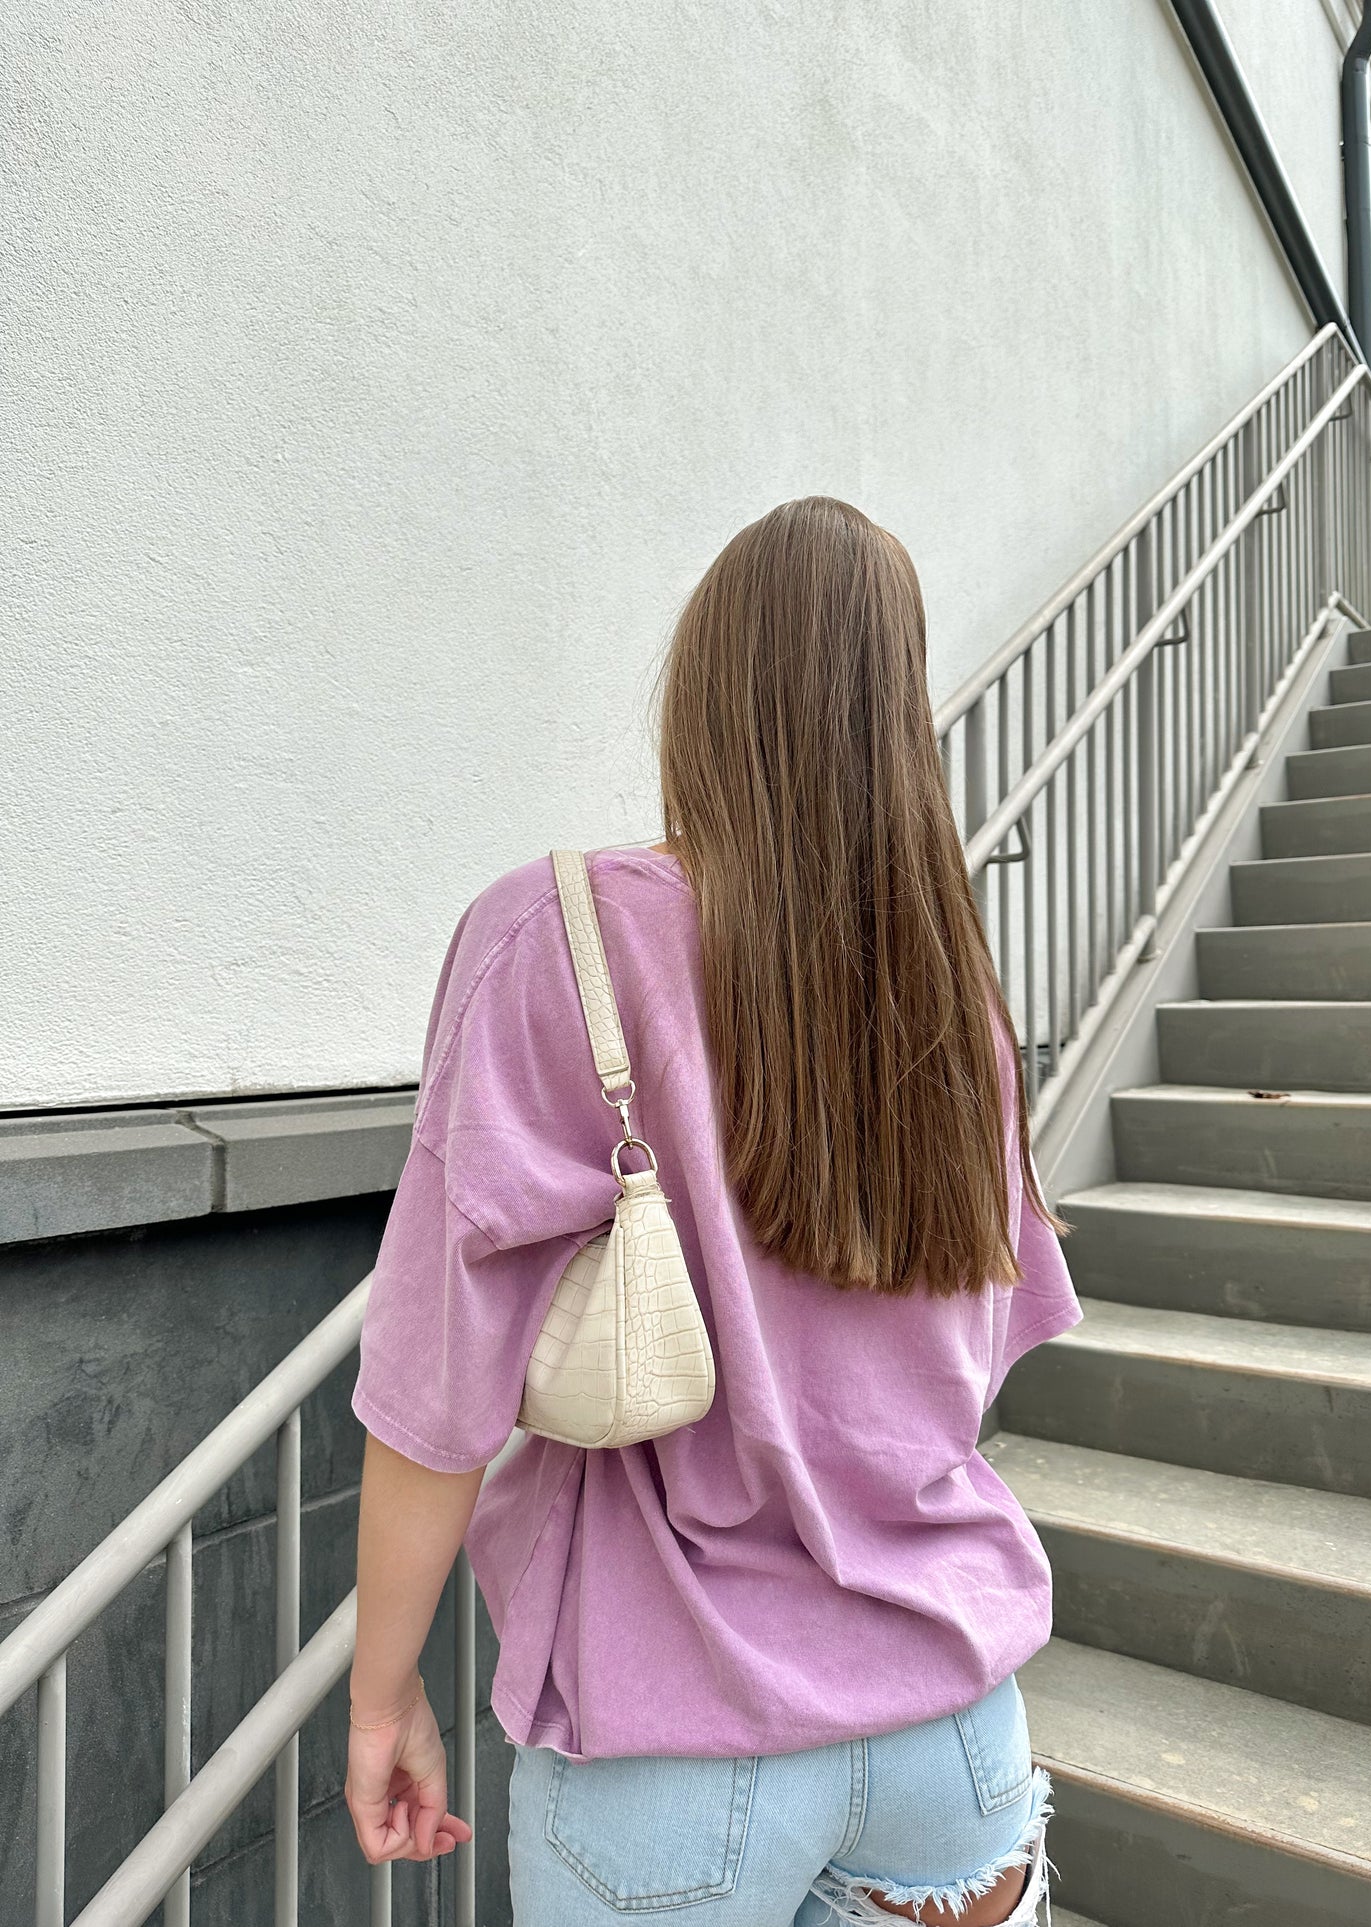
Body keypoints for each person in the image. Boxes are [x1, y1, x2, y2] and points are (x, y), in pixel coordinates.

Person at [343, 497, 1081, 1925]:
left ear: (702, 692)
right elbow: (978, 1352)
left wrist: (385, 1698)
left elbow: (436, 1388)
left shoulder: (555, 937)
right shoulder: (956, 993)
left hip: (668, 1739)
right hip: (954, 1729)